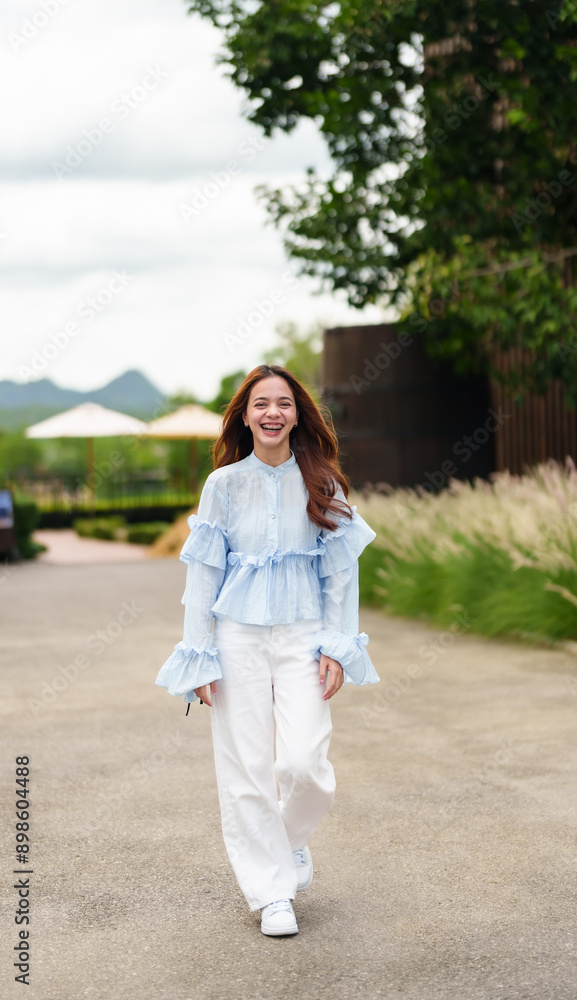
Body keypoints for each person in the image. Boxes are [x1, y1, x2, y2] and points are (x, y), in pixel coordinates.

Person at [155, 363, 379, 937]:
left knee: (305, 764)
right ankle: (272, 894)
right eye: (260, 404)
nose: (272, 412)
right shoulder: (223, 485)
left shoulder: (322, 483)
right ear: (245, 416)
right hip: (237, 638)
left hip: (304, 636)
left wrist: (336, 645)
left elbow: (341, 577)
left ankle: (289, 841)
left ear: (297, 413)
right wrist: (198, 651)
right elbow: (204, 573)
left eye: (283, 403)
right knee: (246, 770)